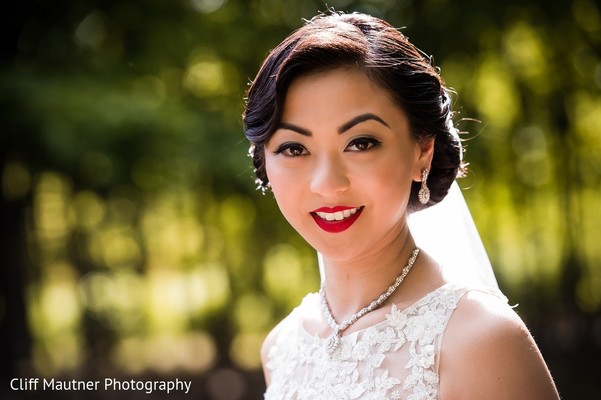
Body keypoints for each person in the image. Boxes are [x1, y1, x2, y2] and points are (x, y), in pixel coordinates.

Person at [243, 11, 560, 400]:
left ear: (421, 151)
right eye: (294, 148)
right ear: (265, 163)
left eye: (360, 143)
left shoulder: (480, 341)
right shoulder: (280, 348)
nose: (326, 184)